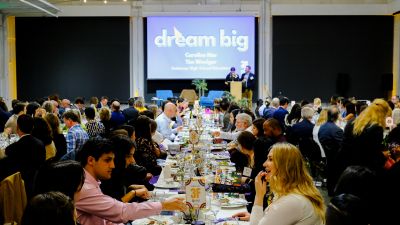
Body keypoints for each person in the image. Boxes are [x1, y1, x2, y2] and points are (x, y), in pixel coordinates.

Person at [75, 137, 186, 225]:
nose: (113, 165)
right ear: (90, 160)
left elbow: (106, 217)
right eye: (107, 160)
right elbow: (121, 211)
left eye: (112, 160)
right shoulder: (84, 187)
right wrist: (163, 205)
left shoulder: (91, 181)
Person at [233, 143, 326, 224]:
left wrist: (259, 196)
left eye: (270, 159)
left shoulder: (292, 201)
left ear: (286, 166)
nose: (264, 164)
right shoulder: (292, 192)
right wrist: (256, 217)